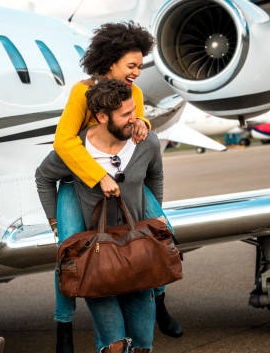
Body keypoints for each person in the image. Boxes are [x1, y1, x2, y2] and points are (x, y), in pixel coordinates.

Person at [50, 22, 183, 352]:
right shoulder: (82, 92)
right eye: (132, 65)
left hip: (123, 179)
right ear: (111, 61)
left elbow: (137, 122)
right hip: (80, 179)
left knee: (157, 235)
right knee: (69, 248)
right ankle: (63, 324)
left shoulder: (133, 92)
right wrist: (98, 176)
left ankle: (160, 301)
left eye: (140, 65)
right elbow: (63, 141)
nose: (138, 72)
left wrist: (143, 123)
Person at [36, 79, 164, 352]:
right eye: (127, 115)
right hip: (98, 261)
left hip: (138, 254)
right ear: (102, 117)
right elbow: (43, 177)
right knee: (114, 345)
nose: (136, 119)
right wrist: (54, 221)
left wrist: (155, 218)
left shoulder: (146, 142)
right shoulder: (76, 151)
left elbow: (155, 176)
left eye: (134, 111)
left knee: (142, 344)